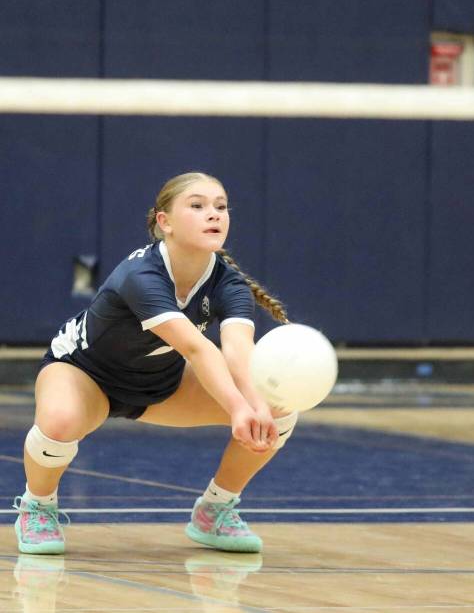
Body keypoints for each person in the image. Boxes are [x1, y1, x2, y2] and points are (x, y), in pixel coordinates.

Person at [12, 171, 298, 556]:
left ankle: (214, 510)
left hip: (160, 385)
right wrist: (236, 407)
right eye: (197, 206)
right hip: (85, 375)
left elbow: (237, 350)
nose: (213, 214)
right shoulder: (140, 274)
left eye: (220, 206)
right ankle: (37, 506)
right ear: (165, 223)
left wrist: (257, 406)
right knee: (59, 421)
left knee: (279, 411)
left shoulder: (229, 283)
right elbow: (199, 349)